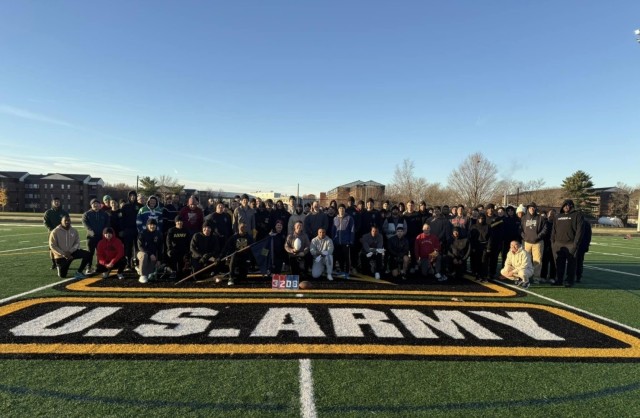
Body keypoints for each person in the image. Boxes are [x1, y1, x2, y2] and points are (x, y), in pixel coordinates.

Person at [551, 199, 584, 287]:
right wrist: (553, 242)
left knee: (571, 264)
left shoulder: (577, 215)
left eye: (568, 205)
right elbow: (553, 230)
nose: (566, 207)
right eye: (564, 205)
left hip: (570, 244)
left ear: (572, 206)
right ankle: (559, 280)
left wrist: (576, 244)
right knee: (558, 264)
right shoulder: (558, 216)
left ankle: (569, 281)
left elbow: (579, 231)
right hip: (558, 244)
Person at [49, 215, 91, 279]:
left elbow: (77, 243)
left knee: (88, 254)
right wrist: (64, 254)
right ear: (61, 221)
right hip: (61, 256)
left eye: (68, 220)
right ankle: (59, 266)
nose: (67, 222)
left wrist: (70, 251)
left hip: (72, 252)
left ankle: (79, 272)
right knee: (62, 275)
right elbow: (52, 245)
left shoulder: (74, 231)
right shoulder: (55, 231)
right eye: (65, 220)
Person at [520, 202, 549, 283]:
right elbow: (520, 229)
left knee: (537, 261)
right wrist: (524, 237)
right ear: (528, 209)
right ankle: (525, 276)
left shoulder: (540, 218)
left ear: (535, 208)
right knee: (525, 260)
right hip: (527, 242)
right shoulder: (524, 218)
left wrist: (537, 237)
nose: (531, 209)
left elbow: (545, 229)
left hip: (538, 242)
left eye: (533, 208)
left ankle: (536, 278)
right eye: (530, 208)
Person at [82, 198, 111, 274]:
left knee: (100, 252)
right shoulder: (87, 214)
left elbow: (107, 223)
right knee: (90, 252)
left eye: (97, 203)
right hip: (91, 237)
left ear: (100, 205)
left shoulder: (104, 214)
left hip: (101, 237)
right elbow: (85, 223)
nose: (95, 205)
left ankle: (99, 266)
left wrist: (105, 230)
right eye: (93, 203)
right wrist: (90, 230)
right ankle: (88, 267)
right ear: (91, 205)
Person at [43, 197, 69, 269]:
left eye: (58, 201)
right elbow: (46, 223)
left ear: (60, 203)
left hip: (63, 233)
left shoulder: (64, 212)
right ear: (52, 203)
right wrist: (52, 230)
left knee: (63, 248)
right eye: (55, 201)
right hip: (52, 233)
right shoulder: (48, 212)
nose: (57, 203)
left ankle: (63, 262)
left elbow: (67, 222)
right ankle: (54, 263)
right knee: (52, 248)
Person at [136, 218, 164, 284]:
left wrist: (159, 260)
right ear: (147, 225)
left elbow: (160, 248)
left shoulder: (159, 234)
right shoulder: (142, 233)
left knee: (150, 274)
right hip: (141, 253)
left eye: (154, 225)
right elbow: (140, 247)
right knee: (144, 255)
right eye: (150, 224)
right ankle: (142, 275)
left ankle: (139, 268)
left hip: (153, 256)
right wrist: (150, 254)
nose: (152, 226)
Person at [119, 190, 141, 270]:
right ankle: (128, 264)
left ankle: (137, 263)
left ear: (136, 197)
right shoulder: (125, 206)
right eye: (131, 196)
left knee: (137, 247)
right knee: (128, 247)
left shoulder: (140, 206)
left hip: (137, 230)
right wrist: (122, 230)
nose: (132, 197)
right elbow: (121, 219)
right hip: (127, 230)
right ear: (128, 197)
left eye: (134, 195)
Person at [332, 204, 355, 277]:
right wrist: (333, 239)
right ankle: (341, 271)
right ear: (338, 210)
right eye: (340, 208)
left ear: (345, 210)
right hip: (337, 242)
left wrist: (351, 240)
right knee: (340, 257)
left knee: (347, 258)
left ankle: (347, 272)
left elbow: (352, 230)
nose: (341, 210)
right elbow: (333, 230)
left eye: (343, 208)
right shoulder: (335, 218)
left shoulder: (349, 218)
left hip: (346, 242)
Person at [469, 213, 491, 282]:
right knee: (477, 261)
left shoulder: (488, 226)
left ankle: (484, 276)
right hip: (476, 246)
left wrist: (488, 247)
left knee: (484, 261)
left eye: (483, 218)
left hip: (484, 246)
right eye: (480, 218)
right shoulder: (473, 226)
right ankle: (477, 275)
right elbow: (471, 238)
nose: (481, 220)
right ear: (478, 219)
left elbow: (490, 238)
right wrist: (472, 247)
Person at [540, 209, 556, 281]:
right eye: (550, 214)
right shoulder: (544, 223)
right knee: (544, 261)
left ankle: (552, 277)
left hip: (555, 245)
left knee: (553, 261)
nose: (551, 216)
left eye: (553, 214)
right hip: (545, 244)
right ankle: (543, 276)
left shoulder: (557, 223)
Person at [576, 217, 592, 283]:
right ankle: (577, 276)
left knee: (576, 261)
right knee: (579, 262)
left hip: (579, 245)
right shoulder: (585, 222)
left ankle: (576, 276)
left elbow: (588, 235)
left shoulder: (582, 222)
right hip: (581, 245)